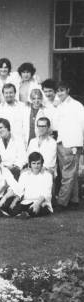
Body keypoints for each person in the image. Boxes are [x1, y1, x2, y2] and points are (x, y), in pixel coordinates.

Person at [53, 80, 84, 210]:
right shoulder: (59, 106)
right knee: (70, 174)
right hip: (61, 142)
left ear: (68, 90)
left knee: (67, 174)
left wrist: (77, 145)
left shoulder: (77, 106)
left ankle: (61, 202)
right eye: (58, 91)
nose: (60, 93)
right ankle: (74, 200)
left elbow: (82, 125)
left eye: (62, 90)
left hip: (72, 143)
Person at [0, 152, 53, 218]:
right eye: (34, 163)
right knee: (14, 208)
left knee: (35, 210)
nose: (36, 166)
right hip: (26, 201)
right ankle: (9, 213)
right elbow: (18, 189)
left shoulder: (47, 175)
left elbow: (46, 193)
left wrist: (37, 204)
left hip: (41, 202)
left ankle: (24, 214)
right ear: (30, 164)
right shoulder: (25, 174)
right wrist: (11, 200)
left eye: (38, 163)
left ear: (41, 164)